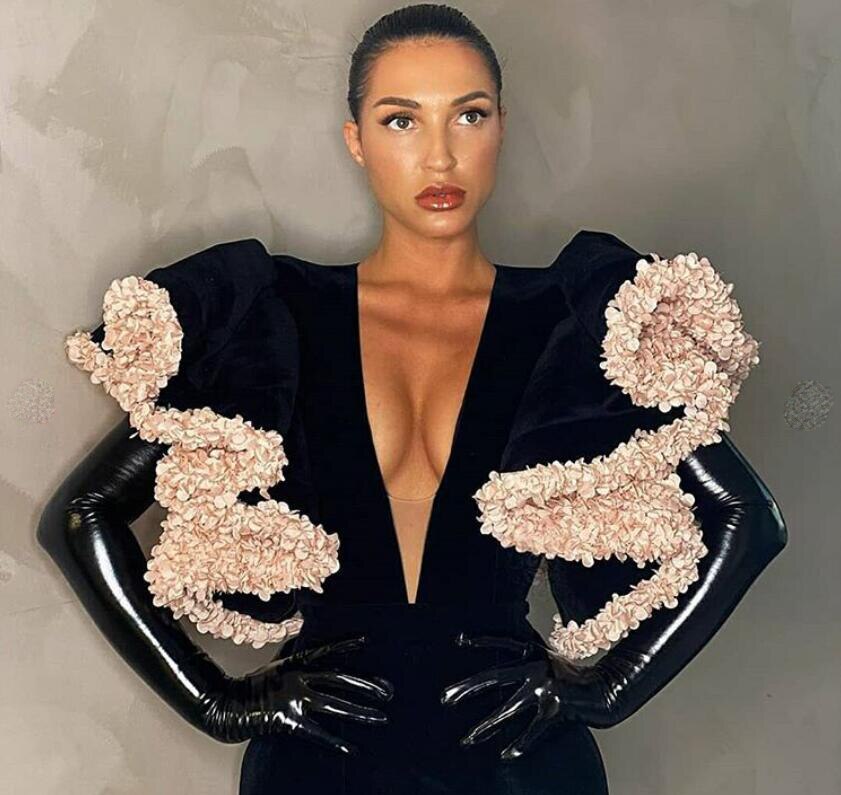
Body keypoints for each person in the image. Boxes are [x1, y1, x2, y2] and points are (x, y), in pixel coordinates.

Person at [36, 4, 788, 794]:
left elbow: (750, 518)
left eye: (469, 115)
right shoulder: (274, 315)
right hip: (314, 769)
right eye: (401, 120)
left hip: (522, 767)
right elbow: (85, 513)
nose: (440, 153)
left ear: (500, 129)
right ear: (355, 139)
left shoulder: (576, 317)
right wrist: (216, 701)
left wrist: (608, 688)